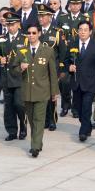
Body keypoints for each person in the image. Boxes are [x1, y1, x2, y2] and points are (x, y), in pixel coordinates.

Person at [20, 23, 58, 158]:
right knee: (31, 119)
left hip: (42, 91)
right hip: (27, 92)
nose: (31, 35)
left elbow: (52, 73)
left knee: (39, 119)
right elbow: (13, 70)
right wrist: (20, 67)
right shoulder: (22, 51)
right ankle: (38, 142)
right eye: (29, 33)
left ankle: (34, 146)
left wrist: (54, 92)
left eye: (34, 33)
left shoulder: (47, 51)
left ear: (39, 34)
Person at [0, 13, 27, 141]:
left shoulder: (25, 39)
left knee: (19, 104)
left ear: (18, 24)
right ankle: (12, 131)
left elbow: (29, 55)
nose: (10, 27)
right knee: (9, 107)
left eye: (13, 24)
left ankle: (23, 126)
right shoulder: (1, 38)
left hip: (19, 77)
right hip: (6, 77)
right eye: (8, 25)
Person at [69, 19, 95, 142]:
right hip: (76, 82)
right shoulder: (72, 44)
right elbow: (66, 60)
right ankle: (87, 126)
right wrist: (69, 67)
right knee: (78, 109)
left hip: (90, 83)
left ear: (90, 32)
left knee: (86, 107)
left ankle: (83, 132)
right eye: (80, 30)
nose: (82, 32)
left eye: (85, 30)